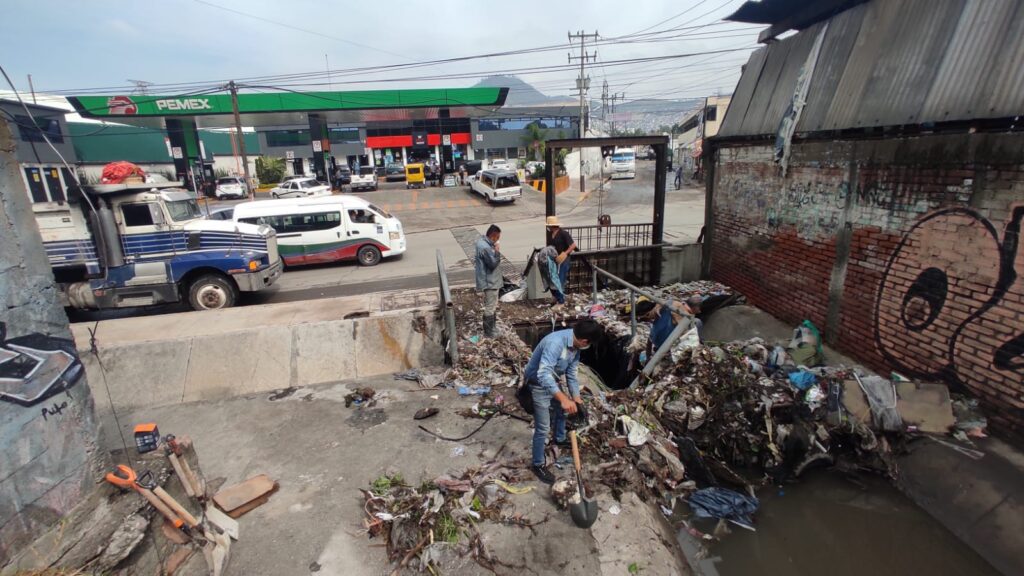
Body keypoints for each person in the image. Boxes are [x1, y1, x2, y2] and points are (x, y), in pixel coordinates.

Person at [524, 319, 604, 483]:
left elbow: (571, 374)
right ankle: (538, 464)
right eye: (589, 344)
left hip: (552, 382)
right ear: (584, 341)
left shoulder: (575, 347)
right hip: (538, 384)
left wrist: (576, 399)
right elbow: (543, 374)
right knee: (543, 427)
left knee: (562, 411)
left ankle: (559, 438)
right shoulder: (556, 343)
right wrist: (562, 398)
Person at [474, 225, 502, 338]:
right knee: (490, 306)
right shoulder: (485, 247)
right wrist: (497, 252)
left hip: (490, 280)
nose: (498, 239)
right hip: (490, 282)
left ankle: (493, 328)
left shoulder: (482, 242)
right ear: (493, 236)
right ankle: (489, 332)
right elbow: (492, 264)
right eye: (498, 237)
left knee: (492, 305)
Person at [545, 216, 576, 298]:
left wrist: (565, 253)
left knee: (561, 278)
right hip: (555, 259)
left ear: (552, 226)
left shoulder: (563, 233)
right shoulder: (551, 234)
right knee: (554, 279)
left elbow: (573, 246)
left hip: (564, 259)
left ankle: (561, 300)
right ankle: (557, 297)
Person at [535, 245, 564, 310]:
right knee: (550, 284)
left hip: (550, 266)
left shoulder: (550, 258)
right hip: (547, 266)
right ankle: (556, 298)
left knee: (555, 284)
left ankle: (561, 302)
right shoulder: (544, 254)